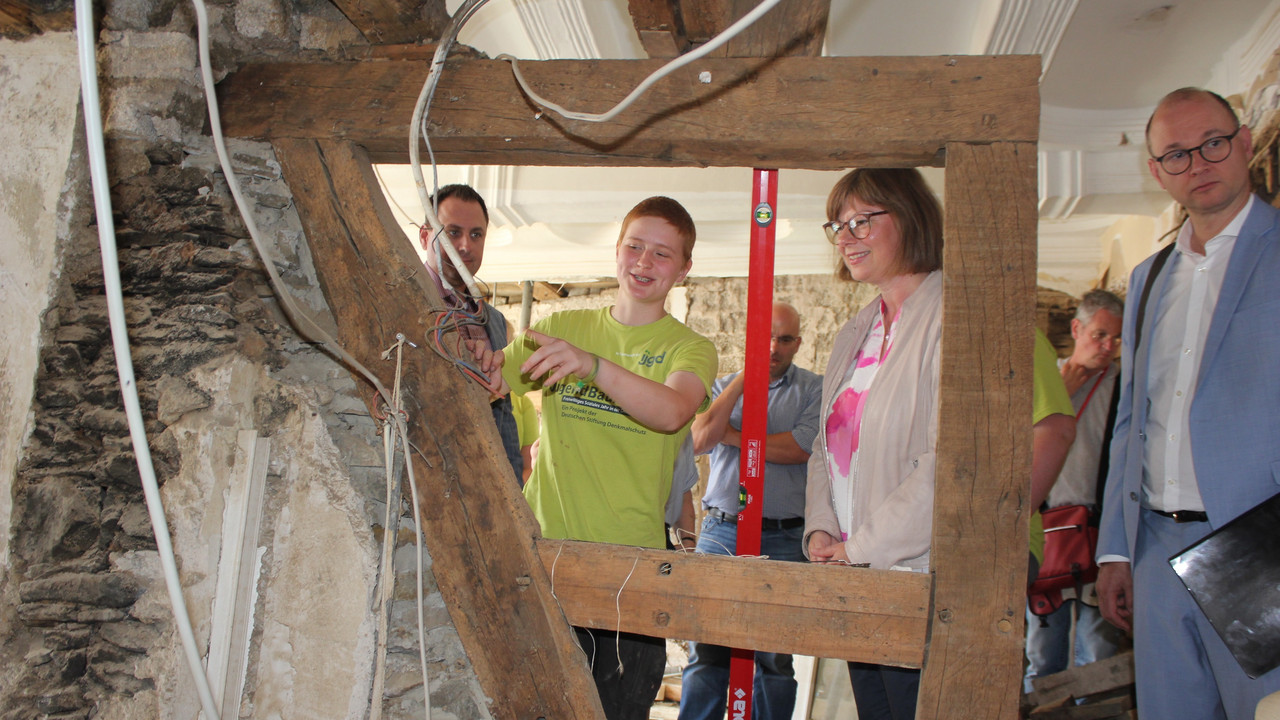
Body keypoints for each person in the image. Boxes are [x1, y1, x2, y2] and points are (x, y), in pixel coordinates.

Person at [473, 196, 718, 720]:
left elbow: (673, 410)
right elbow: (492, 379)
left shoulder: (689, 349)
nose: (643, 262)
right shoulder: (565, 326)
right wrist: (476, 357)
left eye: (661, 254)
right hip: (545, 554)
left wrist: (592, 367)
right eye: (634, 246)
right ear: (617, 249)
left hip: (626, 568)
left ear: (685, 267)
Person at [1096, 87, 1280, 719]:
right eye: (1176, 154)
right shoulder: (1148, 281)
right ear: (1156, 172)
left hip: (1261, 548)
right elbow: (1129, 422)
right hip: (1153, 548)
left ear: (1245, 142)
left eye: (1212, 143)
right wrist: (1116, 551)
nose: (1197, 163)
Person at [804, 168, 943, 720]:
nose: (845, 237)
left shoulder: (951, 315)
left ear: (910, 216)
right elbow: (824, 445)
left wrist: (860, 549)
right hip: (856, 575)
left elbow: (949, 466)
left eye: (861, 220)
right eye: (837, 226)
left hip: (918, 576)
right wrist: (822, 529)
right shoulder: (855, 329)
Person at [678, 302, 823, 720]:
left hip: (784, 535)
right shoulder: (723, 386)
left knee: (775, 658)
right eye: (766, 338)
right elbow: (702, 439)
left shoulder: (814, 389)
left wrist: (736, 435)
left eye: (785, 339)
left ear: (798, 342)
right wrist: (745, 378)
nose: (774, 348)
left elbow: (799, 448)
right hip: (723, 529)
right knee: (707, 650)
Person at [1024, 291, 1125, 691]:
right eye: (1100, 334)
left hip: (1098, 536)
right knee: (1043, 652)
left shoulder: (1123, 386)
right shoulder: (1049, 377)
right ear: (1077, 328)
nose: (1108, 347)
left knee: (1098, 655)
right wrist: (1059, 391)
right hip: (1049, 536)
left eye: (1117, 339)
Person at [419, 184, 522, 481]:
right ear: (426, 236)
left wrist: (513, 484)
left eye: (476, 234)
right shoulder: (405, 305)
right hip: (429, 479)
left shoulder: (494, 321)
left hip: (488, 481)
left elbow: (504, 417)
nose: (465, 245)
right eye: (453, 232)